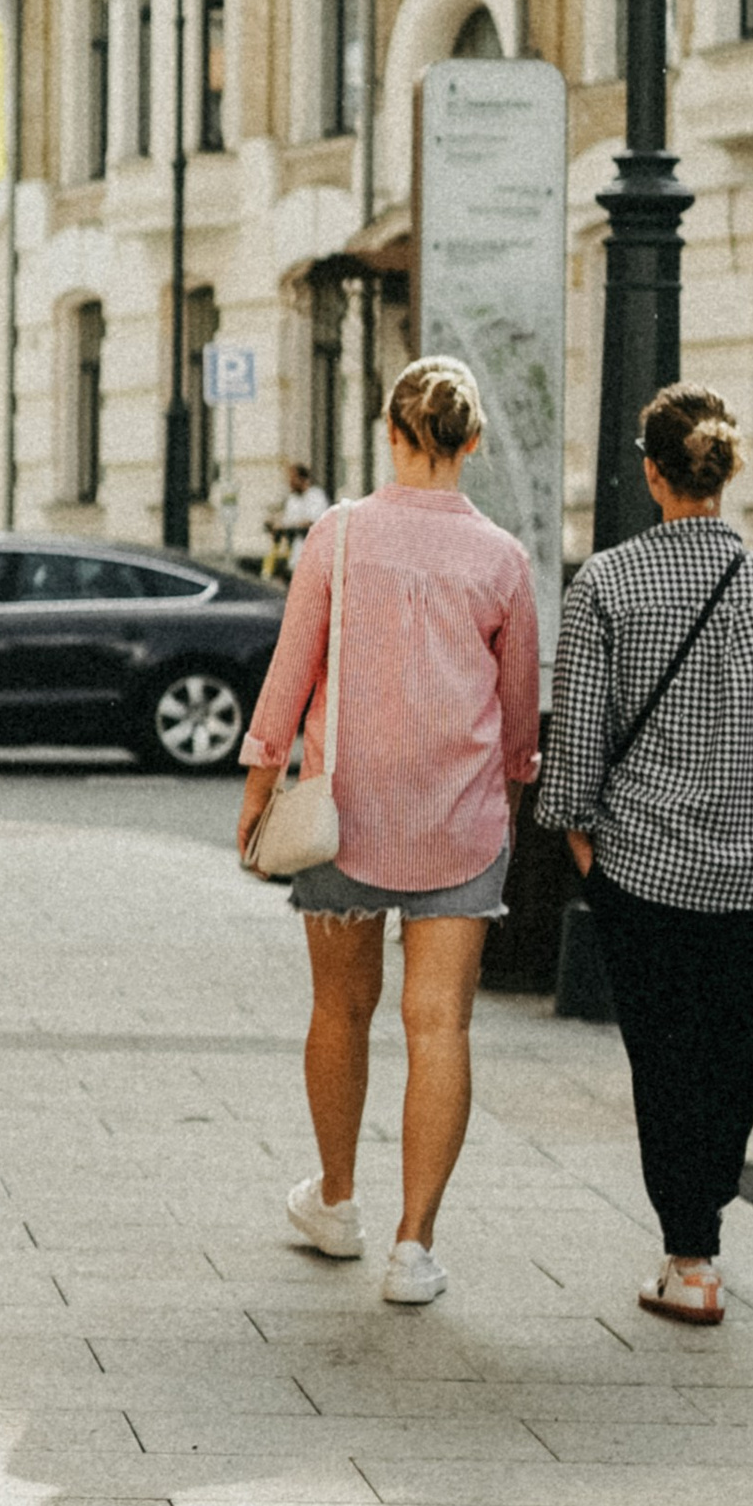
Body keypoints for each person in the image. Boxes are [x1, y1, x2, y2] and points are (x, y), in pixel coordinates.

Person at [235, 357, 540, 1307]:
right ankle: (415, 1246)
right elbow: (521, 709)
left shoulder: (339, 535)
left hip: (342, 818)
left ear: (391, 435)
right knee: (439, 1022)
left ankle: (335, 1203)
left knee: (341, 1011)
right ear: (473, 444)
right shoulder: (503, 558)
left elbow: (290, 674)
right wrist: (515, 792)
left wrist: (257, 786)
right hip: (460, 821)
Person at [537, 382, 753, 1327]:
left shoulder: (607, 584)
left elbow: (578, 744)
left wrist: (582, 843)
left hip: (648, 871)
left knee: (662, 1058)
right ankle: (708, 1211)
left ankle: (691, 1252)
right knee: (731, 1043)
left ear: (650, 472)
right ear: (726, 472)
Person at [266, 457, 330, 575]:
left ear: (302, 478)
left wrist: (287, 526)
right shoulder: (293, 499)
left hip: (315, 559)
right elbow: (287, 521)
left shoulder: (316, 496)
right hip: (296, 558)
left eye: (292, 478)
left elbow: (312, 523)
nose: (289, 482)